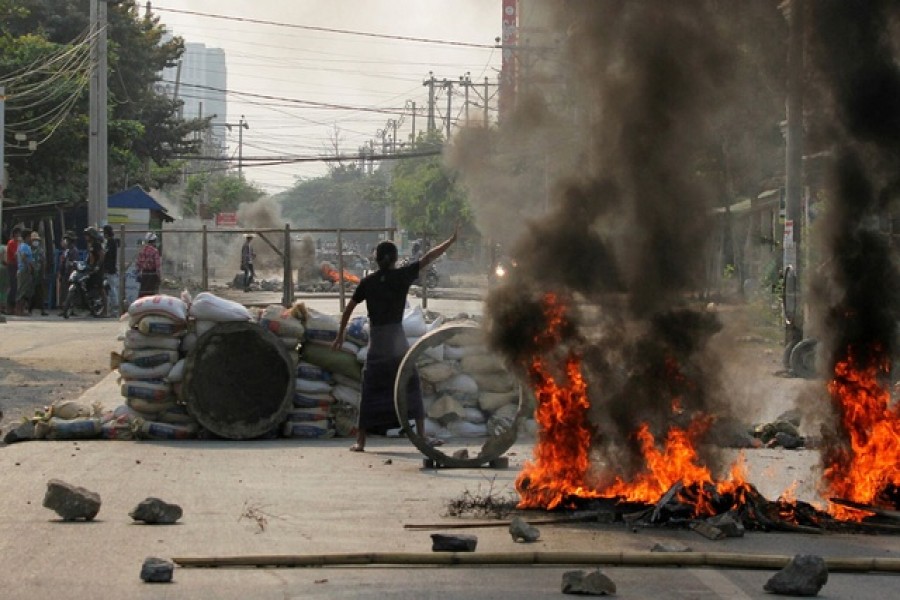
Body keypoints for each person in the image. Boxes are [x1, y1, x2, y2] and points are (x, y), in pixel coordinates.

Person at [332, 225, 459, 452]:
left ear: (376, 259)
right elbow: (428, 257)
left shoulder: (367, 282)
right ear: (395, 259)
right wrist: (449, 241)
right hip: (397, 341)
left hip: (378, 342)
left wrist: (341, 336)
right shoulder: (402, 276)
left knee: (370, 389)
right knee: (410, 385)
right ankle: (422, 435)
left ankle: (361, 441)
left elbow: (349, 309)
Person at [56, 231, 79, 311]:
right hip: (64, 273)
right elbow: (63, 262)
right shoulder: (66, 250)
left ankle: (70, 308)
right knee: (63, 291)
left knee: (69, 291)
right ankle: (64, 308)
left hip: (70, 273)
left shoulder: (74, 250)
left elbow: (73, 263)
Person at [102, 225, 120, 317]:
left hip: (110, 269)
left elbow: (107, 256)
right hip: (109, 269)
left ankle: (115, 311)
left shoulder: (111, 242)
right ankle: (111, 309)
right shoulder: (110, 242)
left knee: (112, 289)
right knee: (109, 289)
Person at [136, 232, 161, 297]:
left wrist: (138, 272)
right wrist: (159, 276)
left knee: (143, 290)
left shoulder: (142, 250)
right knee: (151, 292)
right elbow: (157, 266)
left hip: (144, 273)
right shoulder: (155, 251)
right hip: (152, 273)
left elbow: (138, 263)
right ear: (154, 241)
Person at [15, 229, 34, 316]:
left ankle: (19, 309)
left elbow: (16, 256)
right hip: (24, 270)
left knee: (21, 290)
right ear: (26, 237)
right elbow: (23, 257)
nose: (31, 238)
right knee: (23, 291)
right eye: (30, 236)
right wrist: (29, 266)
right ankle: (20, 310)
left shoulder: (20, 246)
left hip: (20, 269)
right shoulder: (25, 246)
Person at [29, 231, 48, 316]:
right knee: (31, 292)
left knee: (40, 292)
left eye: (37, 240)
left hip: (39, 273)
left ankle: (42, 310)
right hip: (31, 273)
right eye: (34, 240)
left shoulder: (40, 250)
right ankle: (29, 309)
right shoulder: (29, 250)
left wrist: (43, 273)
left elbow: (43, 262)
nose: (35, 242)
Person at [3, 227, 21, 314]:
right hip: (12, 266)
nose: (19, 236)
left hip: (16, 265)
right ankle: (9, 307)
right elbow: (16, 255)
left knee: (16, 287)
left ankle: (13, 307)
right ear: (14, 234)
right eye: (17, 234)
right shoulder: (12, 243)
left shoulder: (17, 243)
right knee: (13, 286)